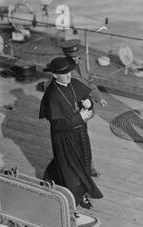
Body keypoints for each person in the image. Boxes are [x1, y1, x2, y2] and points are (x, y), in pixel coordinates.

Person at [39, 57, 103, 209]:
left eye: (69, 71)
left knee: (84, 160)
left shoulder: (74, 83)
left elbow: (85, 97)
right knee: (72, 169)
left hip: (80, 132)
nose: (69, 75)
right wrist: (79, 117)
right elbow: (57, 124)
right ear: (55, 75)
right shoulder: (52, 95)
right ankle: (79, 196)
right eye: (64, 73)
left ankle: (50, 177)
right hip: (63, 137)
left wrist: (89, 102)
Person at [60, 39, 108, 176]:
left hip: (84, 108)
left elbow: (90, 82)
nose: (76, 59)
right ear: (66, 55)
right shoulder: (63, 68)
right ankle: (74, 166)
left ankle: (88, 166)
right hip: (72, 111)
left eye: (77, 56)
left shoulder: (81, 63)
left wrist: (99, 98)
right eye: (72, 57)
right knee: (74, 140)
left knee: (83, 138)